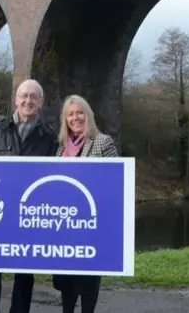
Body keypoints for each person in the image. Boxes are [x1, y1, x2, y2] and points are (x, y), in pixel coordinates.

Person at [0, 78, 58, 313]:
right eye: (24, 96)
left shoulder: (50, 137)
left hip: (28, 214)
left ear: (41, 102)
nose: (28, 101)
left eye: (33, 97)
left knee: (24, 274)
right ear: (15, 99)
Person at [52, 94, 118, 313]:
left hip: (91, 227)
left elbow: (114, 182)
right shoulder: (60, 148)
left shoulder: (103, 142)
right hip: (64, 229)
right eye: (70, 114)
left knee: (88, 286)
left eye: (79, 112)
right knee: (66, 285)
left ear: (88, 115)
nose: (75, 118)